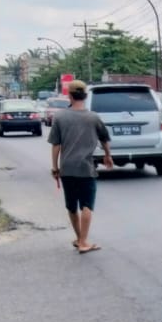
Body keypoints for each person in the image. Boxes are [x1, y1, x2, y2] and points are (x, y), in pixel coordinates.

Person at [47, 80, 114, 253]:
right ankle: (83, 242)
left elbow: (56, 145)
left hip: (67, 168)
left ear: (69, 95)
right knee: (87, 205)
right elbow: (104, 139)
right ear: (85, 95)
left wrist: (55, 167)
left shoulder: (60, 117)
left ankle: (79, 238)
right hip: (86, 167)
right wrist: (108, 155)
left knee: (71, 206)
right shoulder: (93, 117)